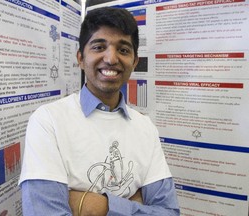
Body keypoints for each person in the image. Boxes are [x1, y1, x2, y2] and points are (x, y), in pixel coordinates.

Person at [19, 7, 180, 216]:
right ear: (80, 59)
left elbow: (169, 212)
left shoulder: (145, 127)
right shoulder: (48, 121)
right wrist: (137, 206)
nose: (111, 59)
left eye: (123, 50)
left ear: (134, 62)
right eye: (98, 47)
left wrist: (96, 206)